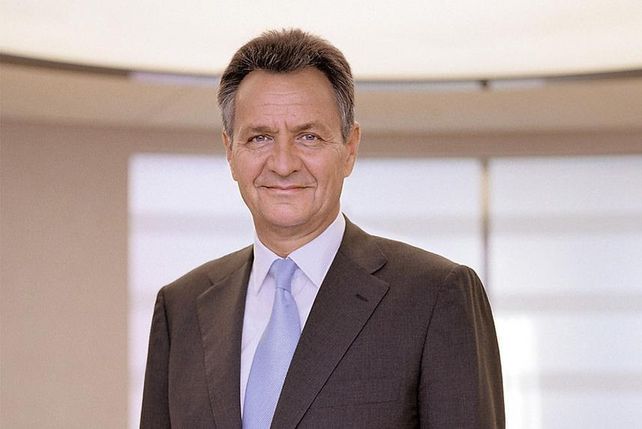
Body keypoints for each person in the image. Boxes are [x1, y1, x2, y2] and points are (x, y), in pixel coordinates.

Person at [140, 29, 504, 428]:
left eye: (308, 137)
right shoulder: (181, 309)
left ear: (350, 148)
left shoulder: (434, 296)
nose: (283, 164)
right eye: (260, 138)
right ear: (230, 151)